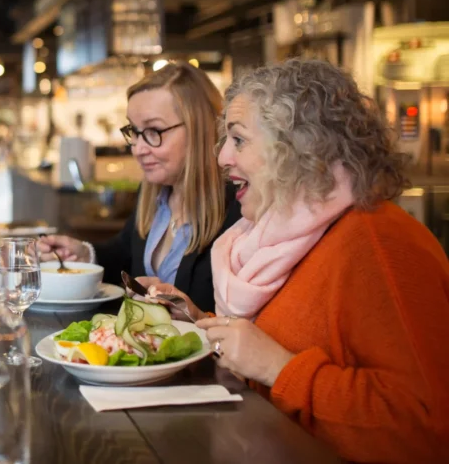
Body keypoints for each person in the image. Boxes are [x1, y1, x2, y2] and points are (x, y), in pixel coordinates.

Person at [160, 59, 449, 462]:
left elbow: (423, 432)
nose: (222, 157)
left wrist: (280, 369)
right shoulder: (286, 234)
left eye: (238, 140)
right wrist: (199, 321)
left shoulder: (378, 243)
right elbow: (289, 337)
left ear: (298, 147)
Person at [38, 62, 242, 313]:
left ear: (199, 129)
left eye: (154, 131)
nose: (138, 147)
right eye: (134, 131)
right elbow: (124, 256)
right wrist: (85, 255)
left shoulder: (239, 208)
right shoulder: (154, 196)